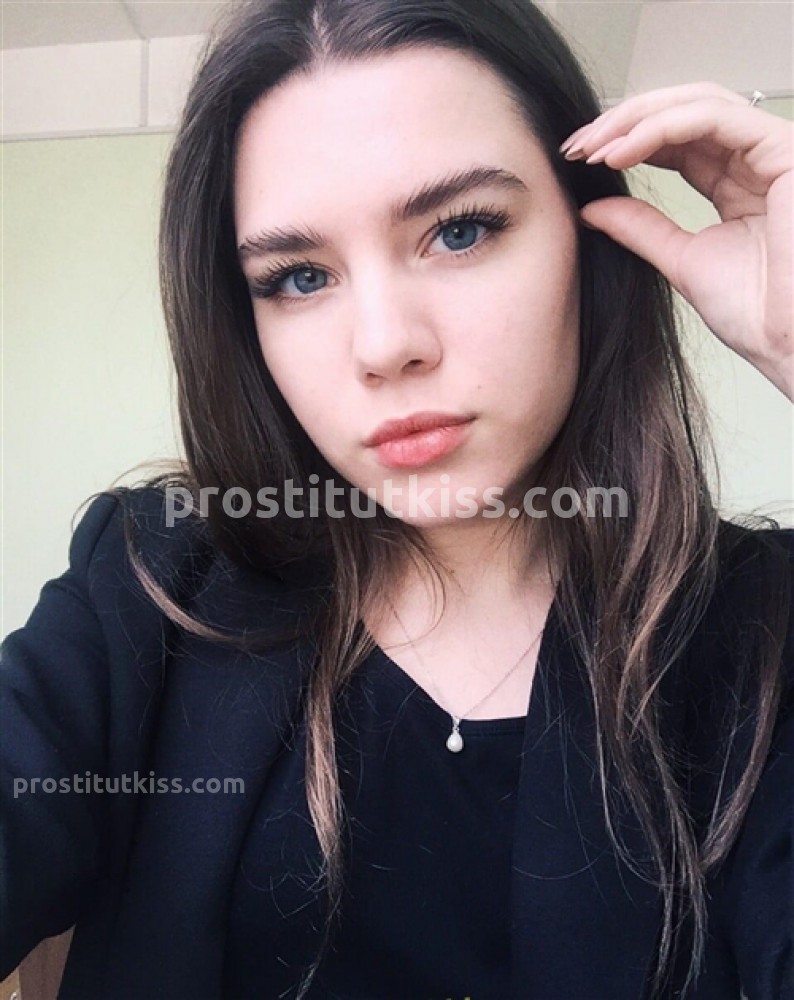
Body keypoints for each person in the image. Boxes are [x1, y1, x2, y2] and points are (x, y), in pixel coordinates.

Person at [1, 0, 792, 998]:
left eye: (459, 231)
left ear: (584, 241)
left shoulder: (758, 630)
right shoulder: (155, 582)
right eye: (298, 278)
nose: (384, 346)